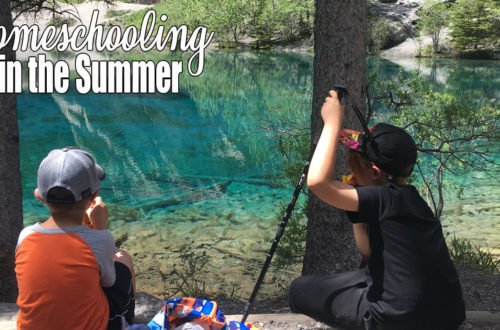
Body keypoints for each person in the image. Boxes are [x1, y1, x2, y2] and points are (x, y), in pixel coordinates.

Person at [288, 91, 465, 329]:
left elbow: (318, 183)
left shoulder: (380, 197)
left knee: (299, 289)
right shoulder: (412, 199)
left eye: (353, 159)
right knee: (363, 273)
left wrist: (332, 123)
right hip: (448, 315)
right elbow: (368, 252)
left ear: (374, 172)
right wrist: (358, 210)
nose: (349, 164)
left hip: (394, 320)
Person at [15, 147, 135, 330]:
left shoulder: (25, 236)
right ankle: (126, 321)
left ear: (39, 196)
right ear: (94, 195)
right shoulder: (100, 240)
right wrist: (99, 229)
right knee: (123, 257)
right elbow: (108, 282)